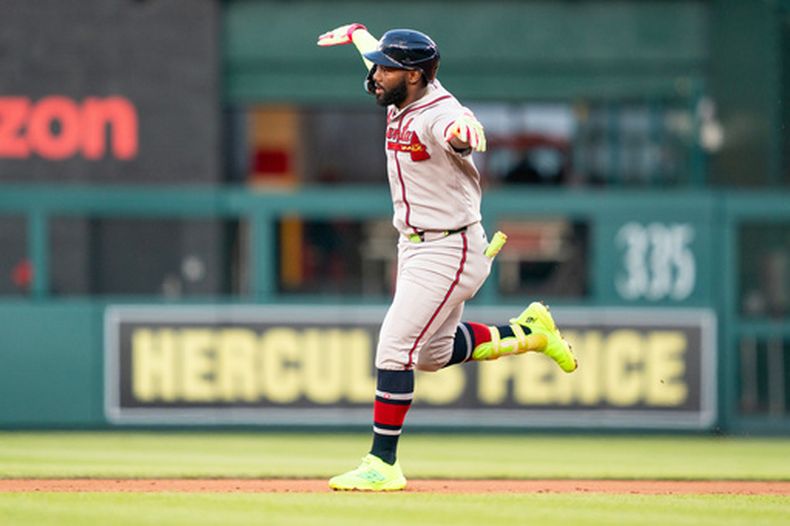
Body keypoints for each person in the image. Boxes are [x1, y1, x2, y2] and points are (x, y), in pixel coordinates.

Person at [317, 24, 578, 491]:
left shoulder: (439, 112)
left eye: (385, 67)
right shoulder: (402, 93)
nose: (375, 74)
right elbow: (381, 68)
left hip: (449, 246)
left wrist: (464, 133)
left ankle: (382, 463)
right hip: (418, 245)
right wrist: (359, 36)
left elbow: (458, 130)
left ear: (413, 75)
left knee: (395, 346)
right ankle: (530, 333)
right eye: (376, 64)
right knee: (433, 354)